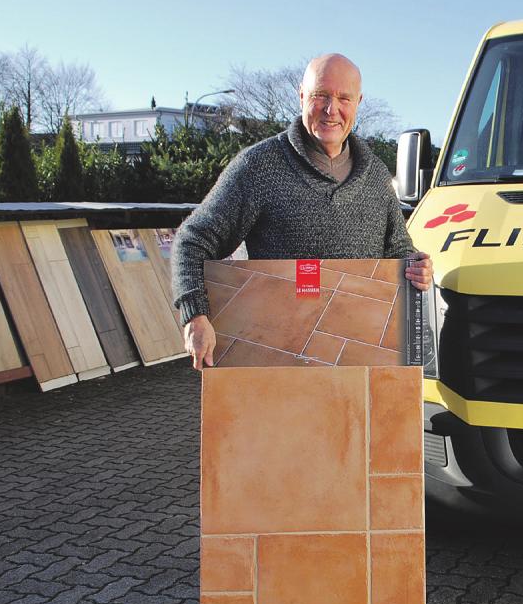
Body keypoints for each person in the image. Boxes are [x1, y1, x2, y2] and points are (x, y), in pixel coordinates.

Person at [170, 53, 433, 370]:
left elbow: (397, 250)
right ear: (301, 96)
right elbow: (193, 240)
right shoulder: (260, 167)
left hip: (357, 363)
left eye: (343, 98)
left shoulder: (376, 176)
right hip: (280, 361)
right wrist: (195, 315)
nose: (330, 109)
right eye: (320, 95)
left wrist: (415, 265)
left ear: (358, 102)